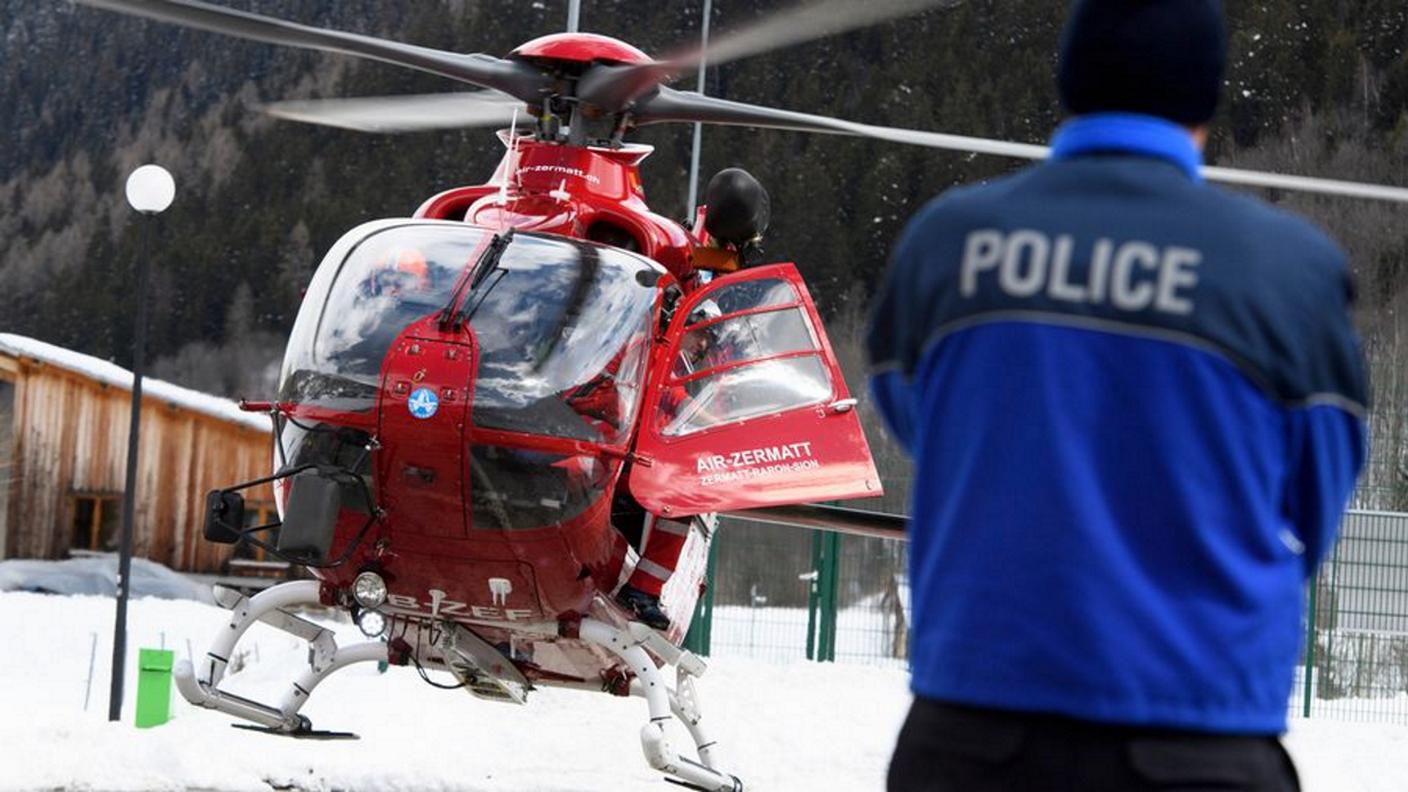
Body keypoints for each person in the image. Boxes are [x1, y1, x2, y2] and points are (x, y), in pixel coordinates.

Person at [867, 2, 1367, 790]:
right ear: (1207, 97)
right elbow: (1317, 499)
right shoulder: (1289, 269)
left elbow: (917, 417)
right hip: (1198, 736)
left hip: (973, 734)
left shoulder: (946, 242)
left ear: (1070, 80)